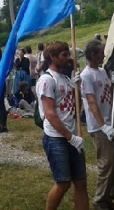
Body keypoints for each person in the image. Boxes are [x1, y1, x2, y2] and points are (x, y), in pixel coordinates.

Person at [36, 41, 88, 210]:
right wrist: (70, 137)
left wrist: (77, 87)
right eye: (64, 55)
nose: (68, 58)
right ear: (53, 57)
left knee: (80, 182)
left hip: (72, 136)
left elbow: (75, 105)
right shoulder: (47, 79)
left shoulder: (66, 78)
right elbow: (50, 114)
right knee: (63, 183)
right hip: (57, 138)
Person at [80, 39, 114, 210]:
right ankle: (99, 201)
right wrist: (103, 126)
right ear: (93, 54)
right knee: (106, 163)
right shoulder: (86, 76)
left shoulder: (102, 71)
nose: (104, 54)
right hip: (100, 126)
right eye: (101, 52)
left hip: (111, 122)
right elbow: (91, 102)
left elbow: (107, 93)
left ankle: (108, 197)